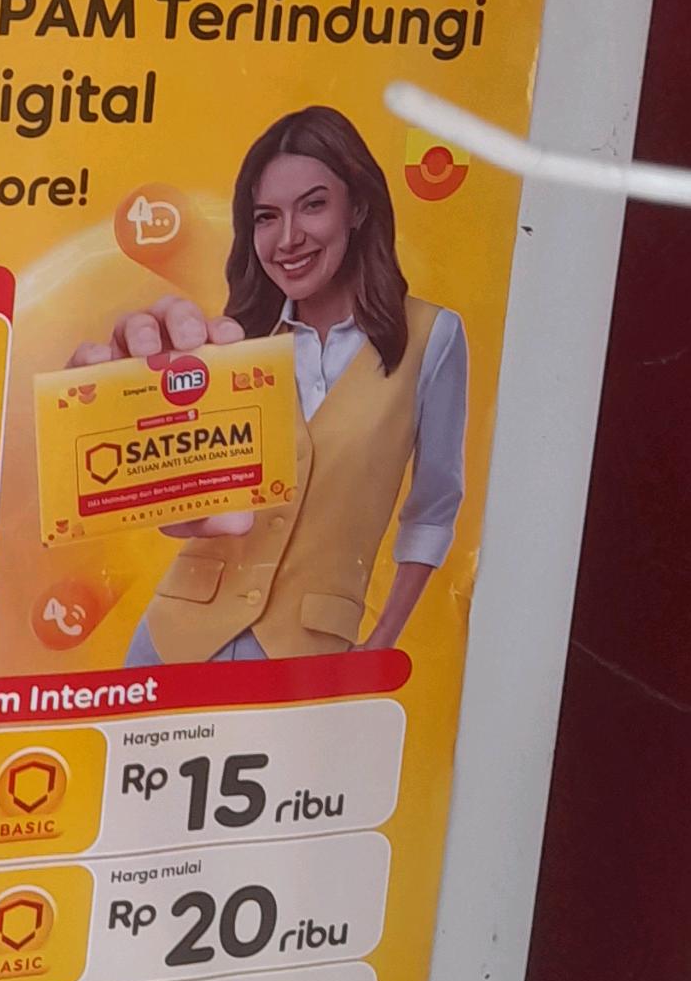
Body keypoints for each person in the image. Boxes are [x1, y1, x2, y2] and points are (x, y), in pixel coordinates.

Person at [71, 105, 467, 665]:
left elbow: (433, 508)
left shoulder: (432, 337)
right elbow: (180, 499)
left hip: (309, 653)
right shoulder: (232, 341)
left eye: (313, 206)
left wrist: (381, 645)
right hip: (173, 639)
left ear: (357, 207)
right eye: (265, 217)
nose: (288, 239)